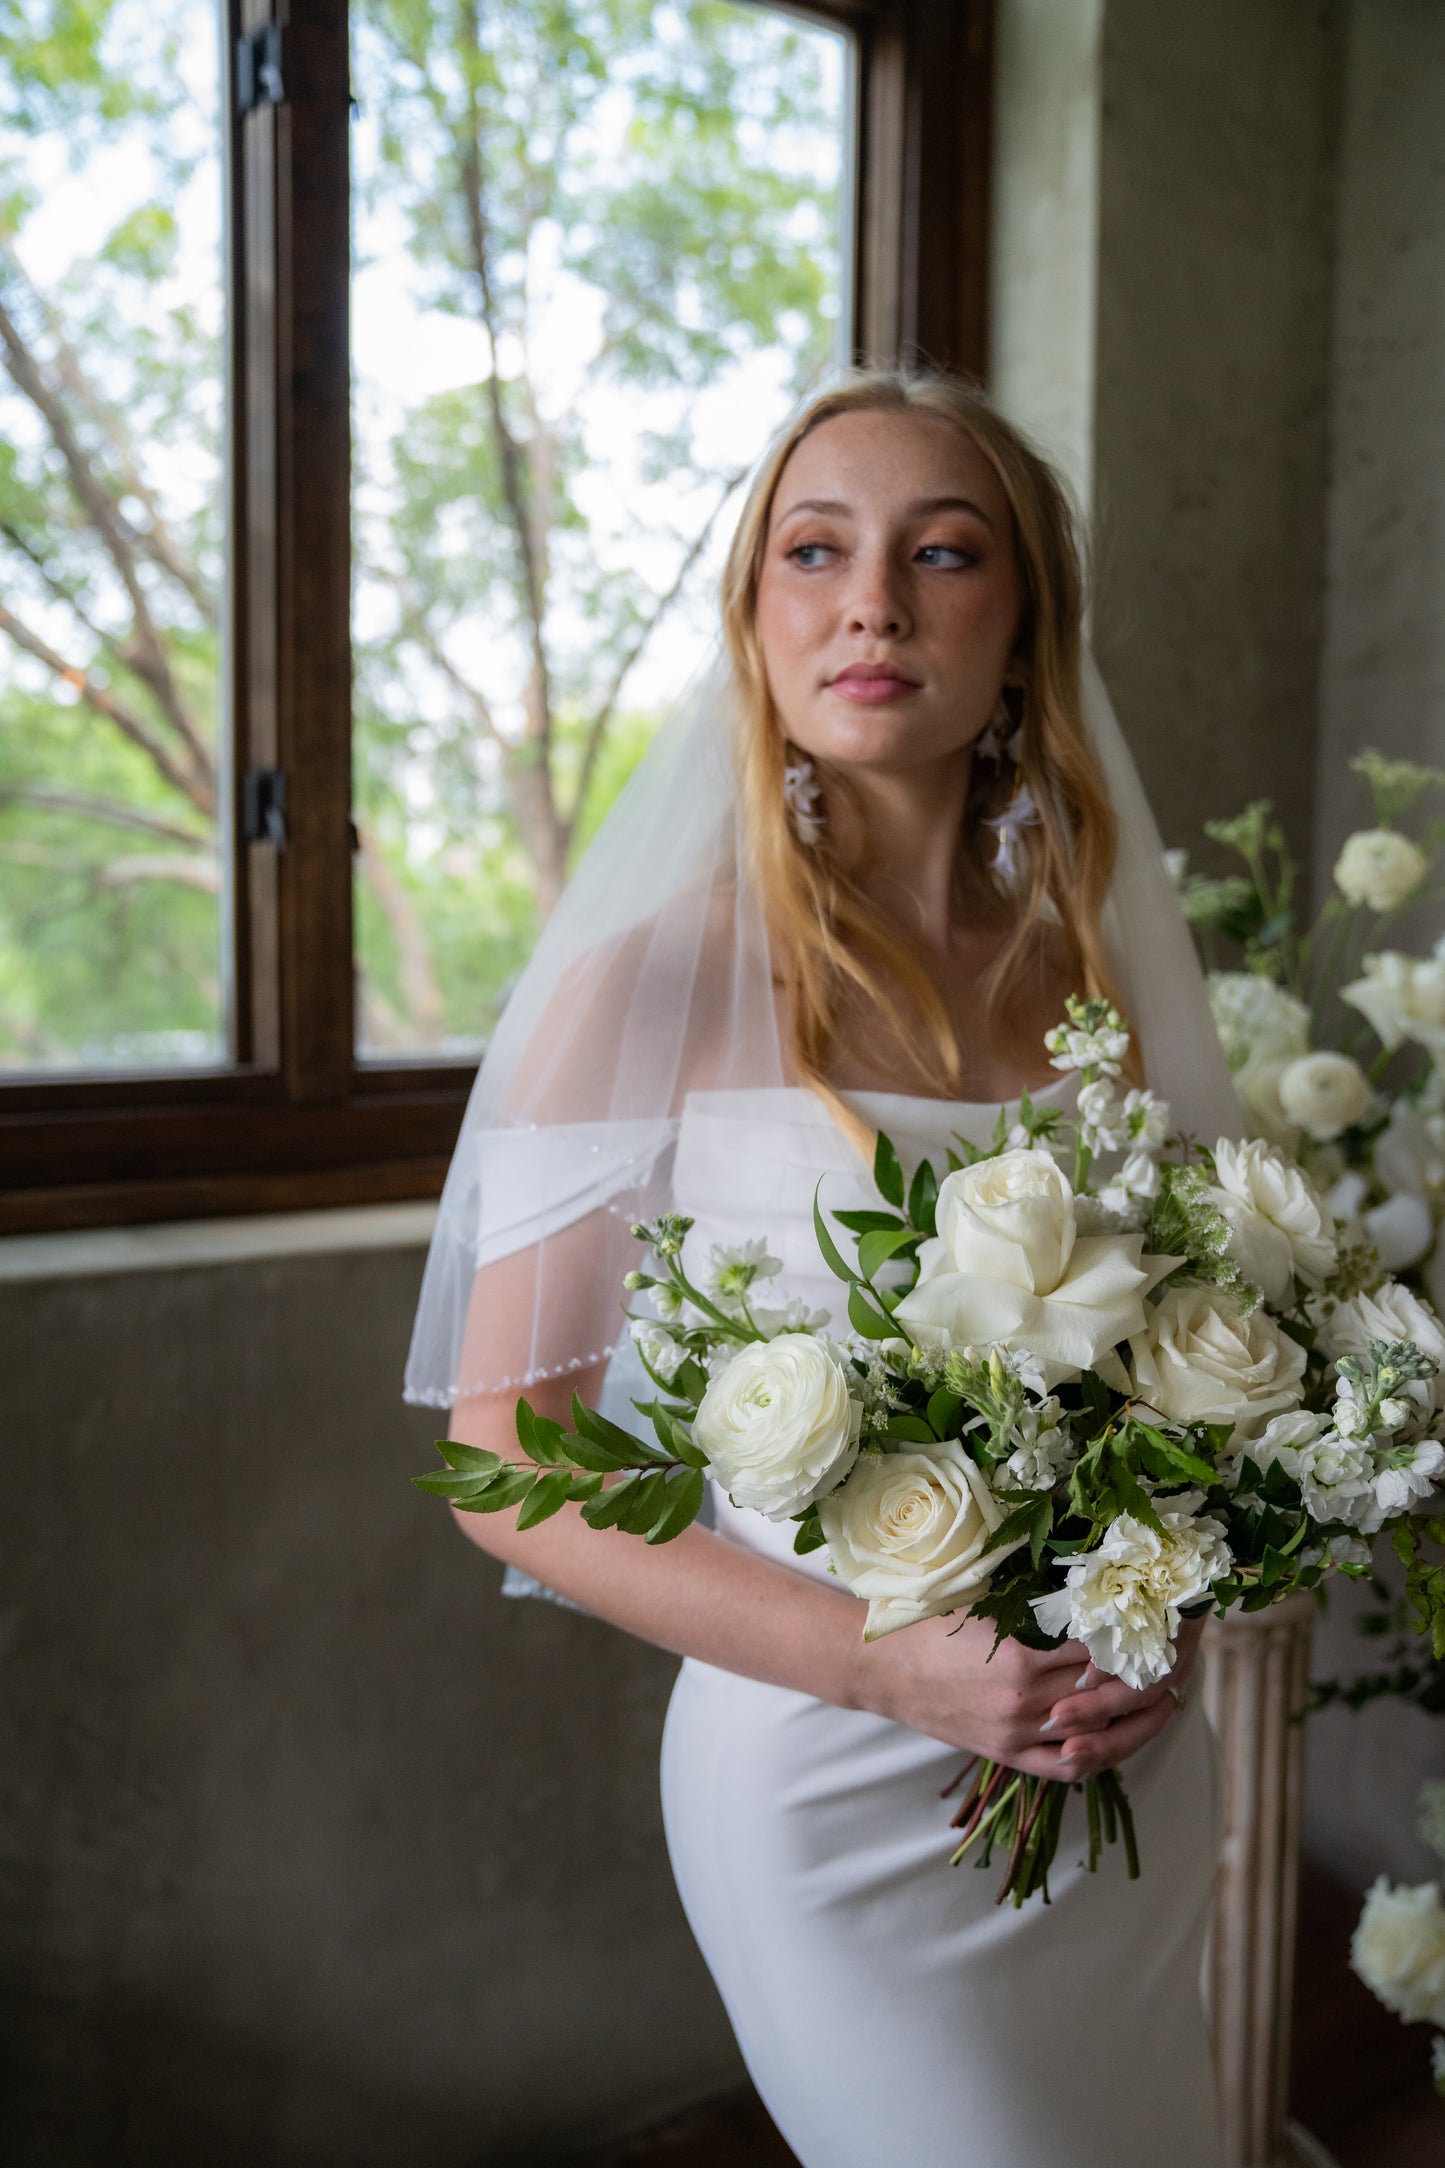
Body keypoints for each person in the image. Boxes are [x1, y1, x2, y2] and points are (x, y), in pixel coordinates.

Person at [404, 372, 1239, 2167]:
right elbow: (506, 1467)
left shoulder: (1092, 992)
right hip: (831, 1770)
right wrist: (888, 1668)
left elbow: (1195, 1364)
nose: (871, 601)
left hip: (1118, 1758)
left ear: (1020, 639)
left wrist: (1160, 1608)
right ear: (758, 624)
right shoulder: (643, 988)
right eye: (813, 551)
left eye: (941, 554)